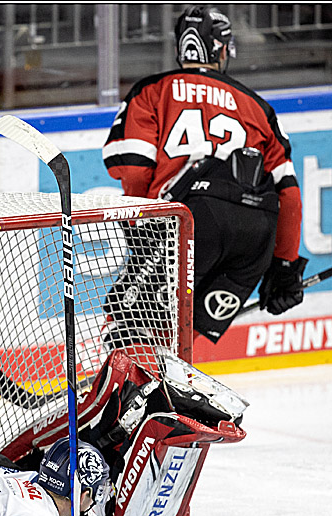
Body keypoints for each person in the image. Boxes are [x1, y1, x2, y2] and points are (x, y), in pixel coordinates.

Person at [101, 5, 306, 344]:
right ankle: (160, 392)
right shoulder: (258, 107)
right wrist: (284, 268)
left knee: (133, 323)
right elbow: (289, 196)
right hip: (255, 234)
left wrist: (144, 236)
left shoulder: (152, 90)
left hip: (191, 220)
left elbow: (134, 170)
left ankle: (127, 388)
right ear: (223, 49)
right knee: (178, 342)